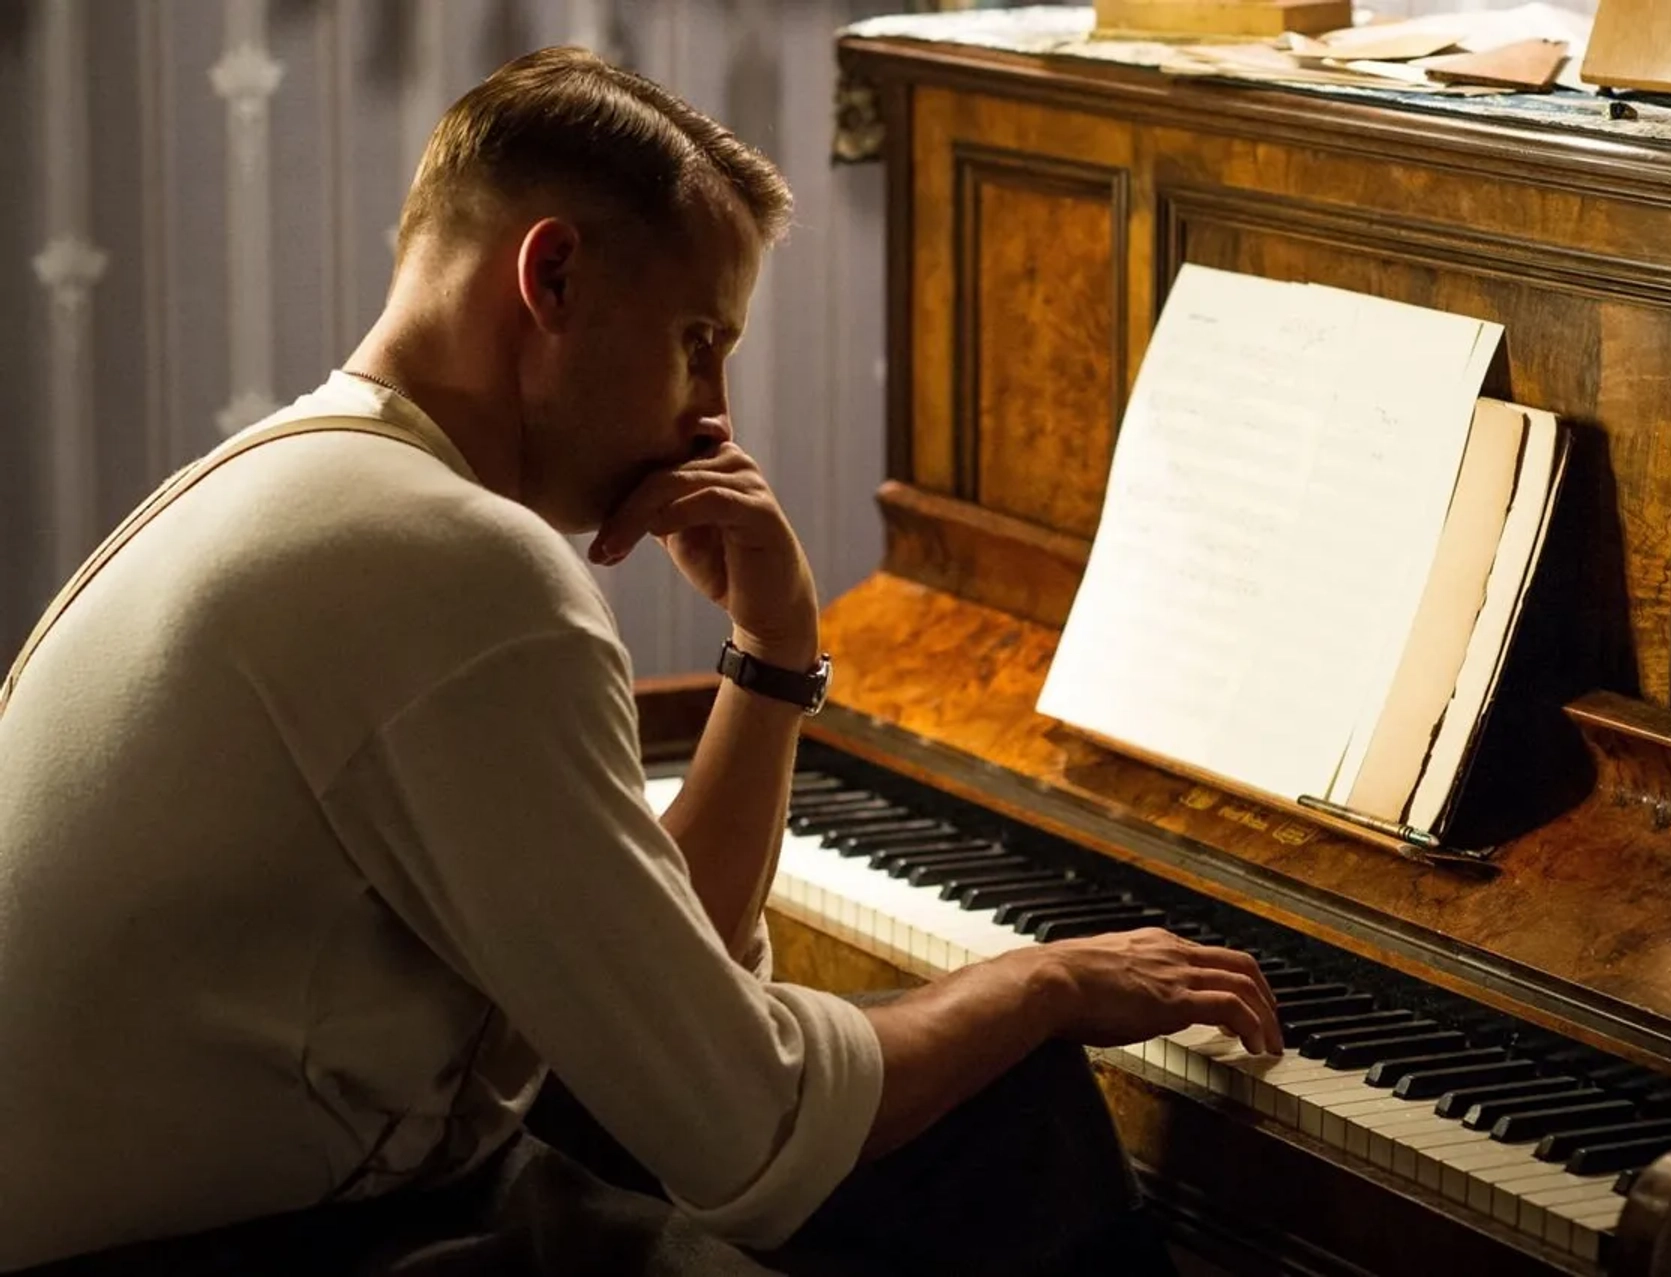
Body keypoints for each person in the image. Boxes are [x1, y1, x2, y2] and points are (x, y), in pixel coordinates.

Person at [0, 47, 1282, 1275]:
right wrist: (1045, 976)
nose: (712, 413)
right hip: (250, 1252)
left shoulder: (313, 478)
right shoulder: (452, 563)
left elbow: (666, 985)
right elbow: (755, 1134)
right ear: (549, 279)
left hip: (250, 1216)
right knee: (1007, 1106)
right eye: (697, 341)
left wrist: (774, 657)